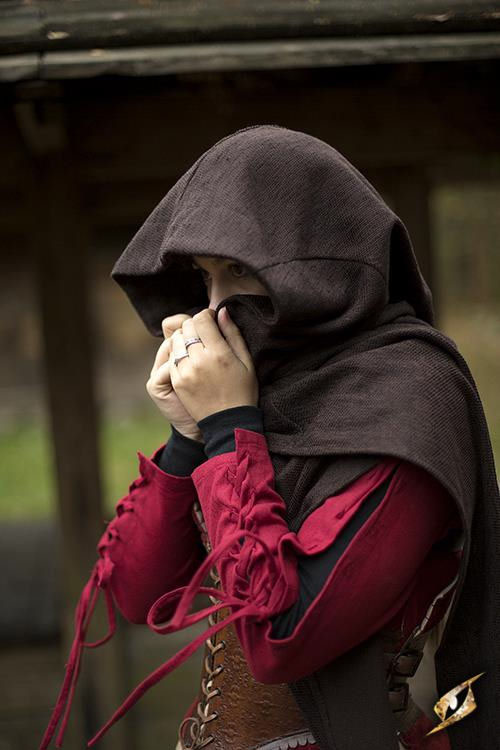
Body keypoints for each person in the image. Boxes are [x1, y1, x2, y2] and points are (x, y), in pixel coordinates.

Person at [40, 125, 498, 750]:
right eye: (205, 277)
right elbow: (135, 595)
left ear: (315, 262)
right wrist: (187, 436)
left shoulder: (413, 400)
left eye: (239, 271)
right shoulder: (263, 389)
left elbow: (283, 638)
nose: (216, 310)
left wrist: (229, 426)